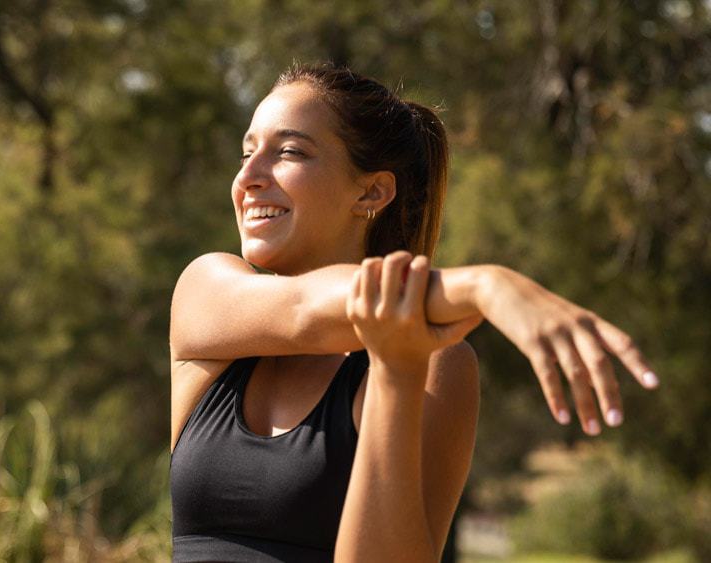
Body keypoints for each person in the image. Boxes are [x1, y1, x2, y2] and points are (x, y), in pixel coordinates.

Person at [168, 63, 659, 562]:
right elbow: (303, 310)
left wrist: (397, 377)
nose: (248, 177)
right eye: (248, 152)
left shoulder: (436, 365)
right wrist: (487, 286)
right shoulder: (206, 292)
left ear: (371, 191)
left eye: (289, 152)